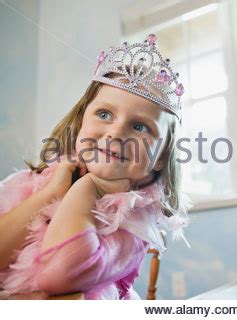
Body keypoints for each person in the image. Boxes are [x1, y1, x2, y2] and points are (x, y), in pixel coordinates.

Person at [0, 34, 192, 299]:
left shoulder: (133, 227)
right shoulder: (28, 185)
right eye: (104, 114)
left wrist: (88, 188)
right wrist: (49, 194)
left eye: (139, 126)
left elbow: (59, 274)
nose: (115, 133)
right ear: (80, 122)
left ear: (160, 158)